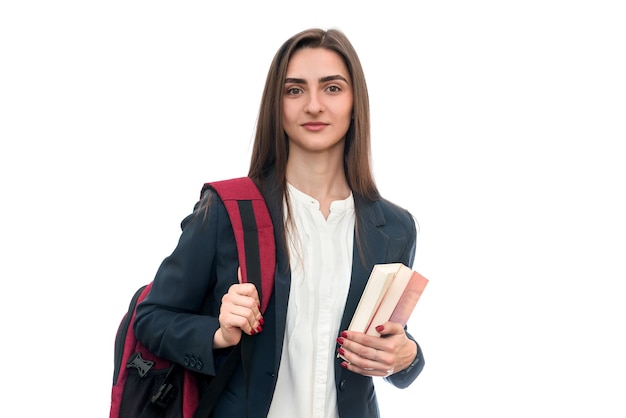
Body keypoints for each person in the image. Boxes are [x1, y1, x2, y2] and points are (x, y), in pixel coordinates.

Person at [134, 27, 425, 418]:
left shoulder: (394, 227)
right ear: (278, 104)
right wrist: (218, 334)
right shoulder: (228, 209)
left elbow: (387, 344)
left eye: (332, 88)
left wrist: (407, 356)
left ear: (356, 102)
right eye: (295, 90)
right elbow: (151, 319)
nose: (314, 106)